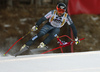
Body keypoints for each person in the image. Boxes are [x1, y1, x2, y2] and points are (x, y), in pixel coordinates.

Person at [15, 3, 80, 56]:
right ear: (56, 9)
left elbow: (73, 27)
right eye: (59, 10)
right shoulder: (52, 12)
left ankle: (42, 45)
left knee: (55, 32)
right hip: (49, 25)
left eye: (62, 11)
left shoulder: (66, 16)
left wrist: (76, 37)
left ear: (64, 11)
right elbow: (43, 19)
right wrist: (36, 25)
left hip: (56, 28)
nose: (60, 12)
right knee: (41, 33)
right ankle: (27, 45)